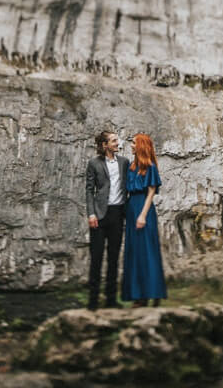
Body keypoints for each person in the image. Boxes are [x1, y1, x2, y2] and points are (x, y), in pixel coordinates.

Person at [121, 133, 167, 307]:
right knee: (134, 253)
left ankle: (151, 292)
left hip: (143, 209)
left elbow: (151, 193)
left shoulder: (150, 167)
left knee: (147, 251)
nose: (131, 145)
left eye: (133, 143)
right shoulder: (132, 166)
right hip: (132, 207)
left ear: (140, 145)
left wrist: (142, 215)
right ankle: (138, 294)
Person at [85, 130, 128, 310]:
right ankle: (93, 301)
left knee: (113, 258)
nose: (117, 143)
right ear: (104, 145)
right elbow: (89, 190)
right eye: (113, 140)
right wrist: (91, 214)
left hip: (118, 214)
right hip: (99, 215)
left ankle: (111, 300)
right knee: (96, 258)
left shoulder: (124, 162)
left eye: (117, 140)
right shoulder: (94, 163)